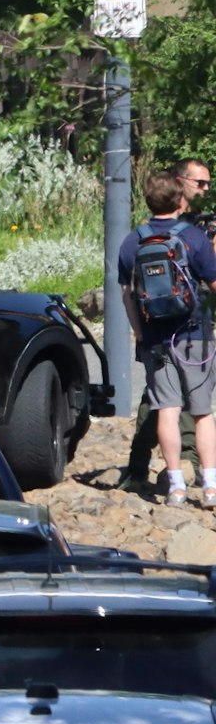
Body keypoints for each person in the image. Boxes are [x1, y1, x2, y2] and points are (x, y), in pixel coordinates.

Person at [118, 170, 216, 507]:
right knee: (202, 413)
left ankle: (175, 487)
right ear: (179, 200)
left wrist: (140, 332)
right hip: (194, 336)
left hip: (156, 339)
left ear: (147, 201)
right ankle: (211, 488)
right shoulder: (194, 238)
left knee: (167, 411)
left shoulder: (132, 241)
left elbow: (127, 295)